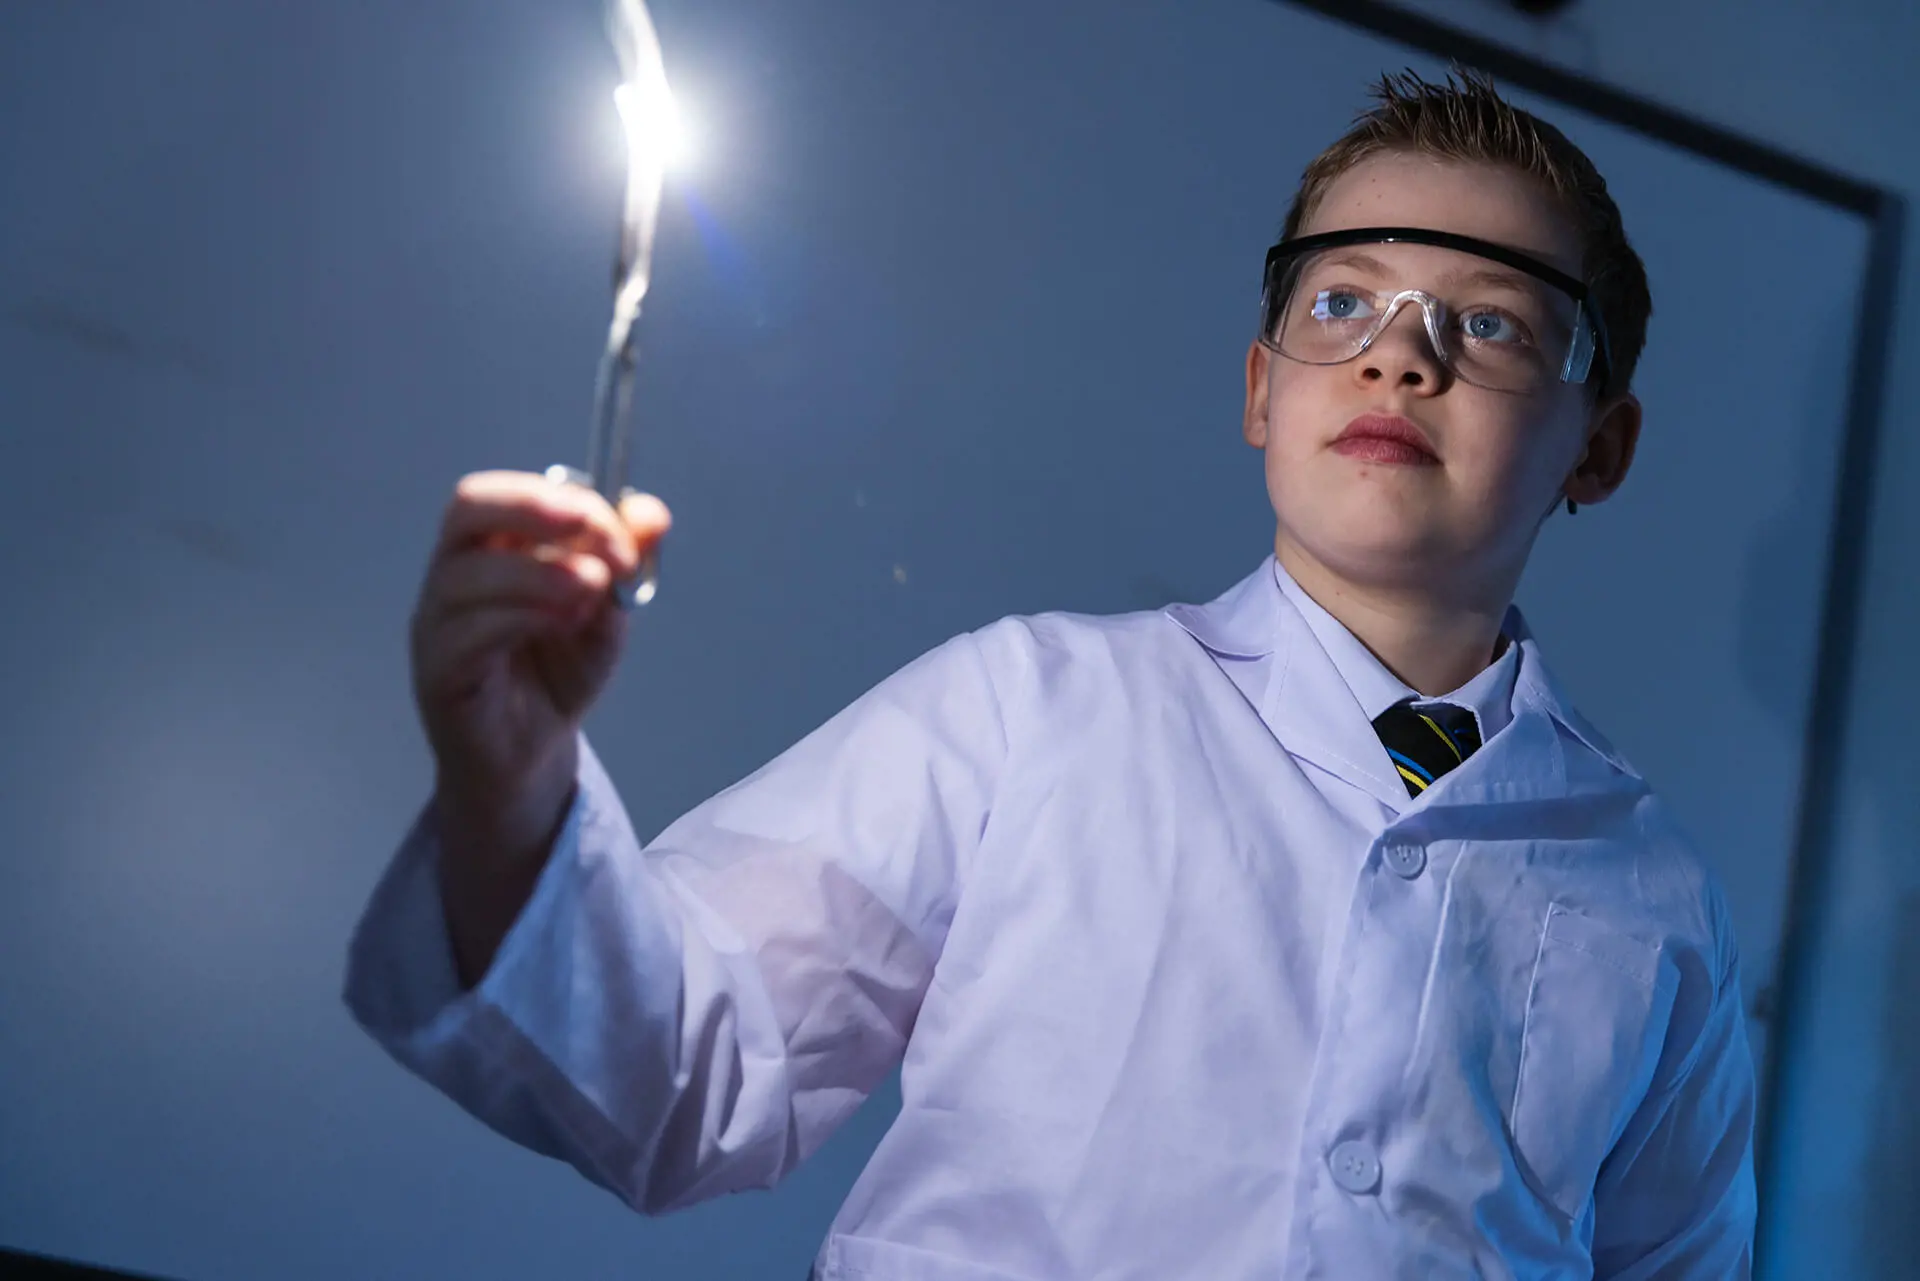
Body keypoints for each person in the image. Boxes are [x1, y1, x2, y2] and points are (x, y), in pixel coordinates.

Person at [345, 68, 1756, 1279]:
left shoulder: (1656, 896)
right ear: (1263, 390)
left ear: (1600, 447)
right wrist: (513, 787)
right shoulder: (1031, 710)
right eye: (1343, 302)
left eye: (1490, 323)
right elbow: (684, 1072)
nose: (1399, 357)